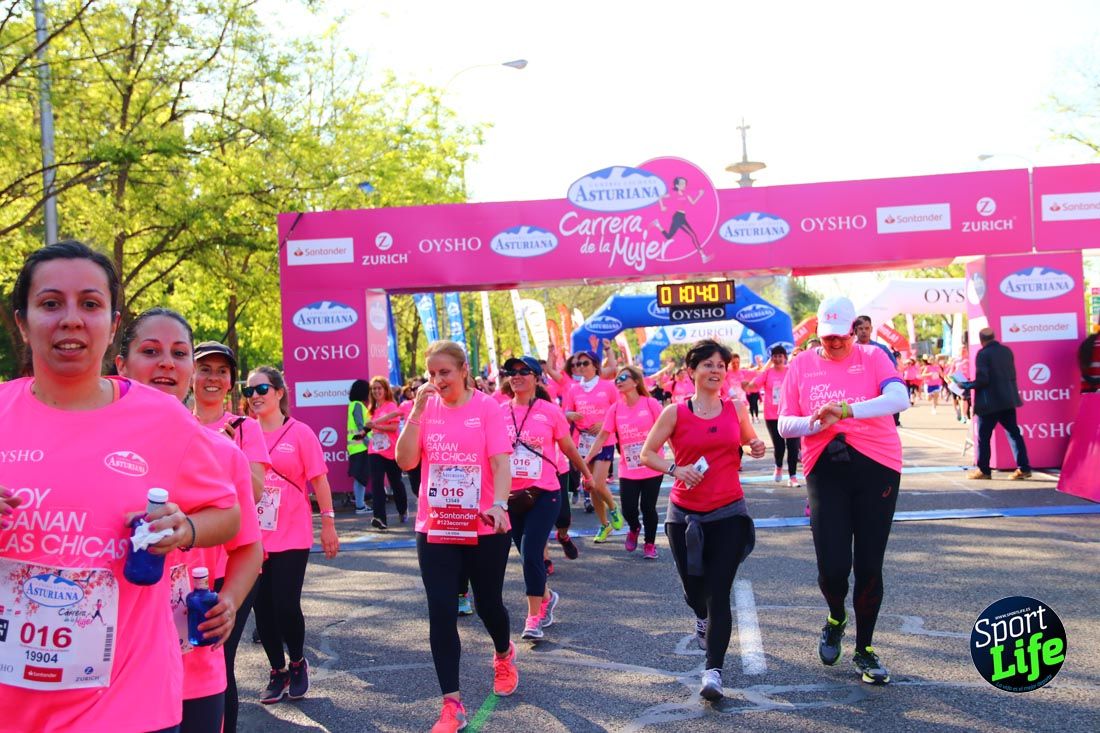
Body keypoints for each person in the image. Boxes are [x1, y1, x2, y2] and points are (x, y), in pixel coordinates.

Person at [0, 241, 240, 732]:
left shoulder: (163, 418)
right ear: (22, 322)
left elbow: (228, 513)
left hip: (128, 697)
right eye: (51, 304)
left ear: (111, 325)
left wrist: (186, 529)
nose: (71, 319)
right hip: (13, 700)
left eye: (90, 304)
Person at [116, 312, 264, 733]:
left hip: (192, 660)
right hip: (107, 664)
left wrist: (230, 602)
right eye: (150, 351)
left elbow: (249, 546)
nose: (166, 363)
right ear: (121, 365)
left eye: (179, 353)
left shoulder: (223, 454)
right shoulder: (87, 444)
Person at [778, 296, 910, 685]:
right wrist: (816, 422)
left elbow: (899, 397)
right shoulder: (802, 364)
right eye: (827, 338)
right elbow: (786, 424)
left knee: (870, 565)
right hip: (825, 470)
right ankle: (836, 617)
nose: (834, 344)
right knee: (833, 568)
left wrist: (847, 410)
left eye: (840, 337)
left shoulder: (873, 357)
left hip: (878, 467)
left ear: (853, 331)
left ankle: (865, 649)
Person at [395, 341, 518, 733]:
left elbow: (501, 461)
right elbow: (405, 460)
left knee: (488, 605)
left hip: (484, 523)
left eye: (444, 372)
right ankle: (452, 704)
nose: (437, 380)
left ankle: (503, 653)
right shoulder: (425, 408)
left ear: (464, 370)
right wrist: (415, 410)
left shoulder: (487, 408)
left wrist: (500, 503)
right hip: (437, 525)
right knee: (441, 611)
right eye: (431, 374)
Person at [640, 340, 766, 701]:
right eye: (708, 365)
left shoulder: (737, 408)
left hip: (728, 512)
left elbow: (750, 442)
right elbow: (648, 454)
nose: (715, 371)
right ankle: (699, 614)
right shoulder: (674, 413)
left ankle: (713, 671)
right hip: (684, 516)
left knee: (719, 592)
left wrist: (756, 447)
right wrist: (675, 468)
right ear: (691, 371)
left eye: (721, 365)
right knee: (697, 593)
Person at [246, 365, 340, 704]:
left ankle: (298, 661)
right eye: (248, 391)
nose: (254, 396)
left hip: (292, 533)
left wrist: (328, 522)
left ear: (279, 392)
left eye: (261, 389)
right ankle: (277, 670)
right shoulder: (242, 432)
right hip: (253, 537)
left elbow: (319, 480)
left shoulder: (300, 433)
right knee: (261, 609)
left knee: (286, 605)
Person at [191, 340, 270, 733]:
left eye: (222, 372)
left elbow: (254, 492)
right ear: (191, 374)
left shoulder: (245, 429)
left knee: (217, 658)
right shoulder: (172, 422)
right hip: (184, 566)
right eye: (205, 369)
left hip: (233, 564)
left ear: (230, 383)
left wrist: (225, 448)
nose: (213, 378)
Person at [500, 356, 593, 640]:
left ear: (537, 377)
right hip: (511, 494)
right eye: (511, 372)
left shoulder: (550, 412)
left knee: (531, 553)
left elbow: (568, 448)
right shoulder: (499, 412)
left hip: (545, 492)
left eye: (523, 371)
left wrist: (587, 475)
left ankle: (533, 618)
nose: (516, 376)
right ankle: (548, 596)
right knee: (526, 556)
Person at [586, 365, 665, 558]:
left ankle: (649, 544)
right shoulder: (615, 409)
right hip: (629, 468)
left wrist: (680, 457)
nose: (618, 381)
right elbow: (603, 436)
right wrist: (586, 459)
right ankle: (634, 527)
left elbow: (668, 430)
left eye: (623, 378)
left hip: (653, 466)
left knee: (648, 507)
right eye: (617, 379)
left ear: (636, 382)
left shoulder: (651, 404)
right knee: (629, 508)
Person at [562, 350, 624, 541]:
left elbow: (620, 410)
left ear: (595, 365)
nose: (580, 367)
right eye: (577, 364)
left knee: (597, 482)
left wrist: (605, 423)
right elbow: (565, 411)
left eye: (584, 363)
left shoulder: (608, 386)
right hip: (583, 442)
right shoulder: (573, 389)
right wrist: (569, 415)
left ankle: (613, 508)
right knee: (591, 486)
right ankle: (605, 525)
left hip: (605, 440)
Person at [956, 328, 1032, 480]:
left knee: (983, 437)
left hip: (989, 402)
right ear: (993, 336)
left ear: (981, 339)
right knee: (1014, 433)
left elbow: (983, 379)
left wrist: (965, 385)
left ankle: (984, 470)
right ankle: (1024, 467)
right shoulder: (1006, 351)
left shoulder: (983, 354)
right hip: (1008, 399)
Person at [751, 345, 801, 487]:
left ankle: (792, 476)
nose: (778, 359)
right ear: (772, 358)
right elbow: (754, 385)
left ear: (785, 358)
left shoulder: (791, 371)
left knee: (793, 446)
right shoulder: (768, 373)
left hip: (791, 413)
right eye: (775, 356)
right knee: (779, 446)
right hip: (773, 416)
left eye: (781, 356)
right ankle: (778, 466)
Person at [365, 377, 406, 529]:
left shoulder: (391, 406)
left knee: (395, 482)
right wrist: (364, 432)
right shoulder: (372, 408)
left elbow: (393, 428)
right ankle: (379, 518)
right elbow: (372, 428)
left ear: (385, 390)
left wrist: (376, 426)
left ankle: (402, 509)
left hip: (390, 450)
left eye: (379, 388)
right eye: (373, 389)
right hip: (374, 450)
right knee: (376, 484)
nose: (376, 391)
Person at [853, 315, 900, 426]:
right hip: (856, 395)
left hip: (877, 393)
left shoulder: (881, 349)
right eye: (860, 329)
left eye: (866, 328)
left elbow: (893, 369)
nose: (864, 331)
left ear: (871, 329)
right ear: (855, 331)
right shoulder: (849, 349)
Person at [347, 379, 372, 514]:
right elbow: (359, 424)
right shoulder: (357, 405)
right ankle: (360, 506)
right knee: (361, 478)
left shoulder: (354, 405)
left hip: (357, 447)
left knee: (360, 478)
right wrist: (368, 442)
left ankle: (360, 504)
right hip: (360, 446)